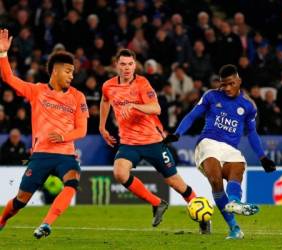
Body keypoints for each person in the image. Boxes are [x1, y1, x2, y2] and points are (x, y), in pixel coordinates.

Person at [99, 49, 210, 233]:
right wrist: (102, 127)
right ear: (116, 65)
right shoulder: (108, 86)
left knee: (175, 182)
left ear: (135, 65)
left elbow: (156, 108)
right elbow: (105, 101)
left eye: (130, 64)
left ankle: (203, 217)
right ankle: (157, 203)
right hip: (129, 142)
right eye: (123, 64)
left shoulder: (142, 83)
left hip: (153, 141)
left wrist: (134, 106)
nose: (127, 68)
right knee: (119, 173)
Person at [164, 64, 276, 239]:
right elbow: (193, 115)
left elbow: (252, 132)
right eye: (223, 84)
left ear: (239, 81)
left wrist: (263, 157)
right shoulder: (211, 96)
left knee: (238, 167)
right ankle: (233, 224)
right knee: (216, 180)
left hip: (230, 148)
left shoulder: (248, 106)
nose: (227, 88)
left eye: (231, 83)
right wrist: (177, 133)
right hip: (208, 143)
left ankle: (235, 206)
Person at [0, 29, 89, 239]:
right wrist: (3, 54)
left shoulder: (78, 97)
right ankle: (2, 220)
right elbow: (8, 78)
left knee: (73, 180)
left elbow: (82, 130)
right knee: (20, 201)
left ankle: (46, 224)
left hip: (66, 154)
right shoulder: (37, 91)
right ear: (55, 71)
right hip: (41, 155)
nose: (72, 75)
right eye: (68, 71)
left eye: (73, 72)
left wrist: (64, 137)